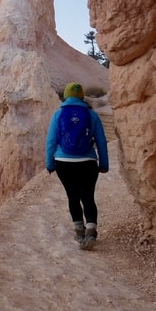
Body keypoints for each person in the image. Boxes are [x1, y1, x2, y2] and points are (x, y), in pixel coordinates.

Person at [45, 82, 109, 250]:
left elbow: (51, 142)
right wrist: (104, 163)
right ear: (82, 96)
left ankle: (79, 232)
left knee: (73, 197)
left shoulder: (58, 114)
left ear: (66, 96)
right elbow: (101, 141)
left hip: (64, 163)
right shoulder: (92, 115)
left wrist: (50, 163)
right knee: (88, 197)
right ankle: (91, 231)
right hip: (87, 163)